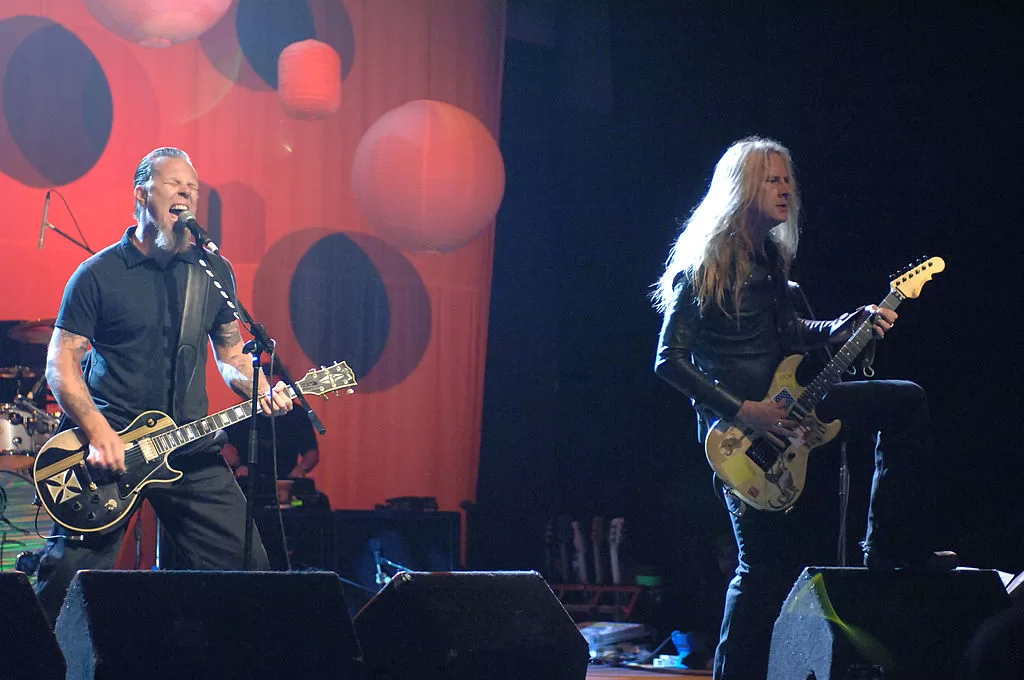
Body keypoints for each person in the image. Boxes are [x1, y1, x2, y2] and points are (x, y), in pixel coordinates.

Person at [652, 137, 955, 679]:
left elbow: (790, 331)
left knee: (904, 400)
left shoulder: (772, 262)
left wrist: (841, 326)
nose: (787, 187)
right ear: (741, 188)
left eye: (788, 178)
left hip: (794, 413)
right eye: (773, 179)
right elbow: (668, 362)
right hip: (740, 440)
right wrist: (745, 411)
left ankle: (891, 550)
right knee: (763, 571)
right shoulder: (703, 269)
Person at [34, 147, 293, 625]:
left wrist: (259, 385)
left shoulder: (213, 272)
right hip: (109, 456)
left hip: (188, 449)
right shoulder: (98, 275)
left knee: (250, 573)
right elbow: (61, 365)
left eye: (192, 188)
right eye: (174, 185)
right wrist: (97, 431)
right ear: (141, 195)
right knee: (64, 586)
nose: (186, 194)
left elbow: (233, 356)